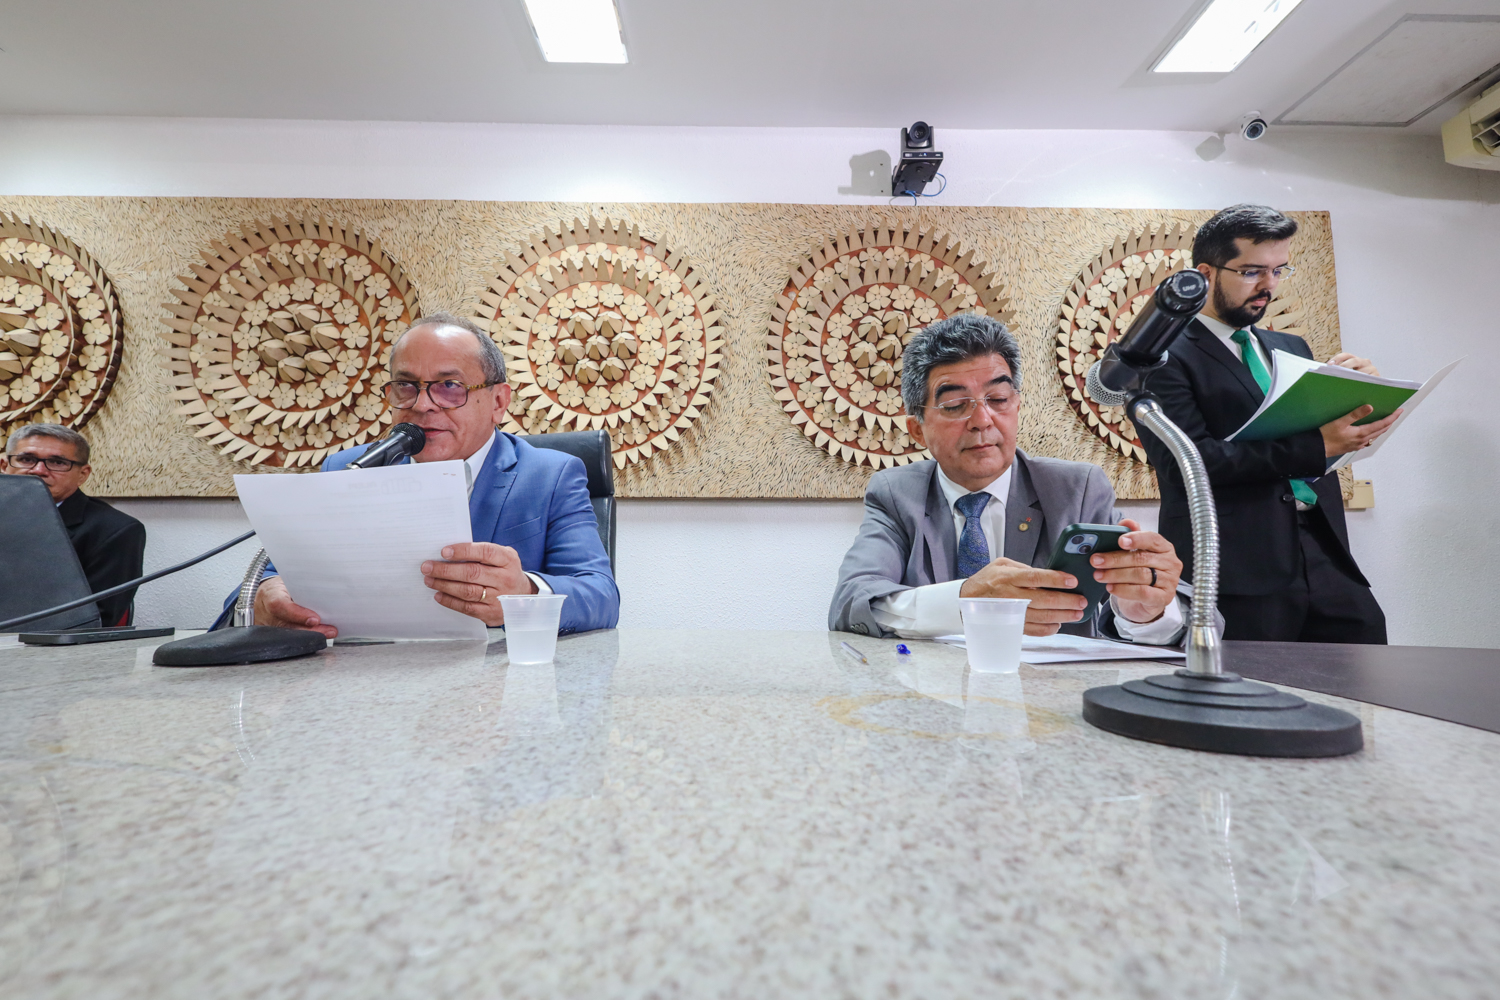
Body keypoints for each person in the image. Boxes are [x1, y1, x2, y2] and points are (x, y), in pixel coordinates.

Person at [241, 312, 619, 637]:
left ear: (498, 401)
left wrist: (525, 594)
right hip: (362, 679)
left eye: (450, 387)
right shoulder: (347, 470)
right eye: (406, 386)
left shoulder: (550, 476)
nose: (422, 405)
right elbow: (262, 585)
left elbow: (600, 596)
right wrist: (264, 599)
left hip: (493, 685)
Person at [830, 314, 1194, 642]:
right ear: (917, 429)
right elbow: (851, 603)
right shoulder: (896, 494)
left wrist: (1143, 612)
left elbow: (1175, 621)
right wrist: (964, 601)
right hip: (931, 688)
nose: (982, 420)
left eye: (998, 398)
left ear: (1017, 404)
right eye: (955, 405)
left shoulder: (1076, 489)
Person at [1135, 204, 1395, 643]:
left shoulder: (1291, 347)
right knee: (1252, 684)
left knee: (1367, 673)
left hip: (1325, 552)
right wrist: (1319, 445)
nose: (1268, 285)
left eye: (1278, 271)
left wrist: (1357, 398)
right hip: (1236, 566)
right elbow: (1189, 461)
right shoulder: (1162, 354)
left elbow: (1314, 439)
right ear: (1206, 273)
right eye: (1252, 271)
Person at [3, 423, 146, 626]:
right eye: (26, 459)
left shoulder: (115, 531)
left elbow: (95, 620)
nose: (38, 470)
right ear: (4, 466)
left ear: (83, 474)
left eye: (57, 462)